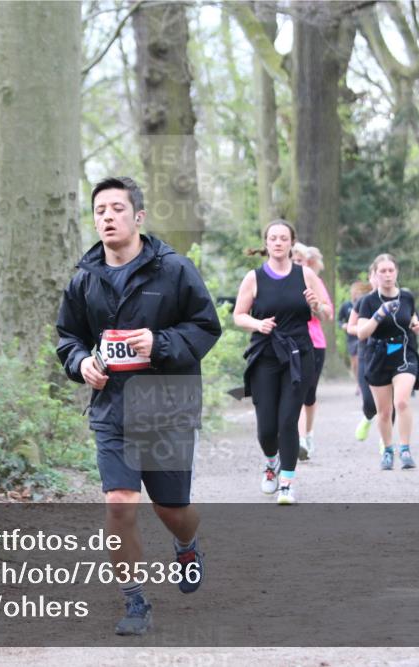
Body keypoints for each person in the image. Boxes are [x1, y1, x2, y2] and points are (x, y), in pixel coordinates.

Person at [56, 176, 221, 635]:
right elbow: (67, 337)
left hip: (167, 405)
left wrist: (160, 341)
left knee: (172, 508)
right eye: (99, 210)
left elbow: (207, 327)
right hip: (113, 408)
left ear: (138, 217)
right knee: (120, 504)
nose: (107, 217)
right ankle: (134, 602)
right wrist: (80, 362)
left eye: (116, 209)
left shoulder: (174, 270)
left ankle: (187, 543)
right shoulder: (84, 279)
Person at [234, 220, 328, 505]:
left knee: (288, 420)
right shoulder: (254, 277)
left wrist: (315, 305)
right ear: (266, 243)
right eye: (273, 238)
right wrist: (257, 323)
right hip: (265, 354)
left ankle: (287, 483)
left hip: (299, 355)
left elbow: (325, 313)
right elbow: (238, 316)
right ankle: (271, 461)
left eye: (283, 238)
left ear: (291, 243)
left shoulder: (306, 275)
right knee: (266, 427)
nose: (277, 242)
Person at [355, 254, 419, 470]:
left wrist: (416, 324)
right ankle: (387, 450)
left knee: (401, 402)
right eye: (382, 271)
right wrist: (379, 314)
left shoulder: (407, 296)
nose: (387, 275)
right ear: (374, 275)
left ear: (397, 272)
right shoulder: (368, 301)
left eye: (390, 270)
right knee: (383, 412)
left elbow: (412, 317)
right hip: (378, 356)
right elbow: (361, 333)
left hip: (404, 353)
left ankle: (405, 449)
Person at [292, 243, 334, 460]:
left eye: (301, 261)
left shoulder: (313, 282)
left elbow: (328, 313)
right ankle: (297, 439)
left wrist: (314, 305)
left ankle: (308, 434)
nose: (297, 264)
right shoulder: (277, 283)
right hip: (289, 344)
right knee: (295, 391)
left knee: (309, 396)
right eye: (295, 260)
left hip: (314, 343)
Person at [346, 270, 378, 442]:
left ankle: (385, 444)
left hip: (392, 352)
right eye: (379, 273)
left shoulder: (401, 299)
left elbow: (413, 320)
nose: (383, 277)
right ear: (371, 278)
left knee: (390, 404)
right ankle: (367, 417)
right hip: (367, 352)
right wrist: (365, 328)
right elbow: (351, 327)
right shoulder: (364, 301)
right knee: (370, 403)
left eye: (389, 271)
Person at [339, 282, 367, 395]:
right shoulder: (346, 306)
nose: (357, 294)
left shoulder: (365, 303)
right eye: (355, 292)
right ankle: (358, 383)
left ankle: (363, 383)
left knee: (362, 360)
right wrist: (343, 325)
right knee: (355, 362)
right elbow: (339, 320)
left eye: (359, 292)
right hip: (351, 337)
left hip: (363, 336)